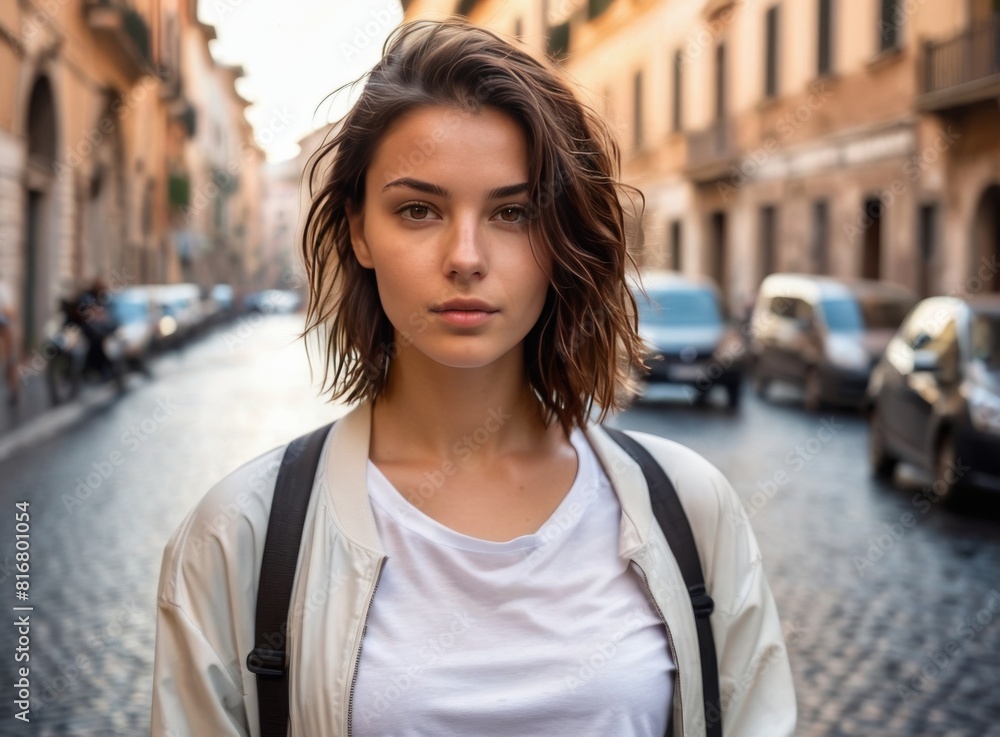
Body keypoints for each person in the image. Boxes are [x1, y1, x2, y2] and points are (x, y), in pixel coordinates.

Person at [151, 19, 796, 737]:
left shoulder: (692, 513)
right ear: (359, 231)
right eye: (418, 209)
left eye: (512, 212)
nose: (465, 256)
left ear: (560, 238)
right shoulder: (240, 534)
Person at [0, 273, 19, 406]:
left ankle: (13, 391)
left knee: (10, 362)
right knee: (9, 362)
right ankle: (13, 391)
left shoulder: (3, 289)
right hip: (5, 327)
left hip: (4, 327)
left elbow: (10, 312)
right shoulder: (4, 289)